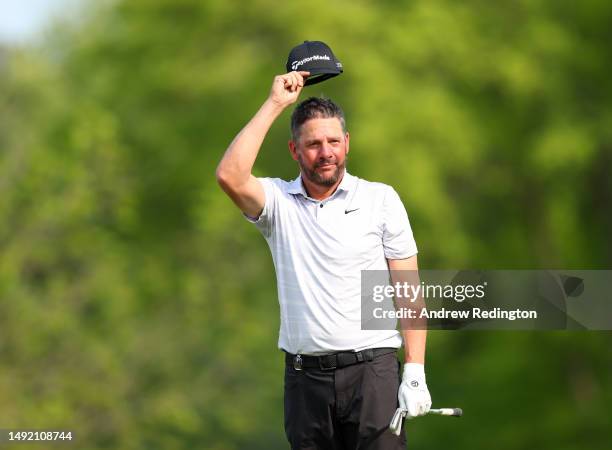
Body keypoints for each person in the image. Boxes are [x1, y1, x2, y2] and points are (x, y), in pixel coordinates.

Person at [216, 71, 432, 450]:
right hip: (305, 382)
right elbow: (230, 176)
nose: (326, 151)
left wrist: (414, 370)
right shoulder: (277, 203)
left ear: (347, 143)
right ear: (294, 150)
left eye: (334, 141)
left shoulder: (380, 199)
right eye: (313, 144)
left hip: (373, 374)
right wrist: (275, 104)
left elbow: (409, 292)